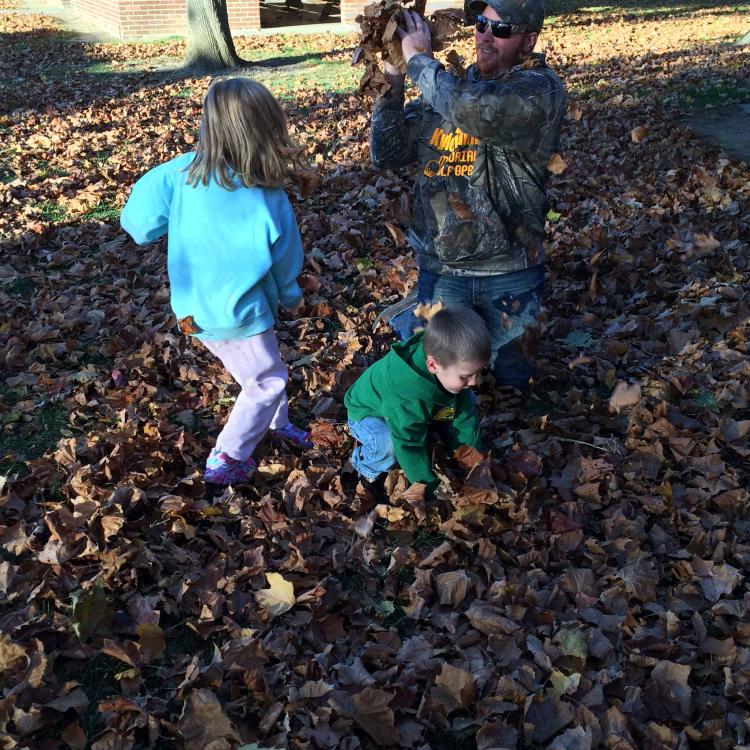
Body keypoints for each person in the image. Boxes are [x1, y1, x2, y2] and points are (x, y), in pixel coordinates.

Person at [120, 77, 313, 486]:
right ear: (266, 131)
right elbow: (285, 261)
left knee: (257, 368)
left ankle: (275, 424)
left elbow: (137, 225)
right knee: (267, 379)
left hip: (191, 313)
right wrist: (291, 296)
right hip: (240, 313)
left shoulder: (179, 173)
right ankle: (229, 455)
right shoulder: (268, 197)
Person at [371, 0, 568, 388]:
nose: (485, 36)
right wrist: (393, 76)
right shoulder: (449, 88)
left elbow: (475, 112)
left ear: (528, 41)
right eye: (480, 24)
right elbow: (386, 153)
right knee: (434, 380)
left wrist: (419, 61)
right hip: (444, 270)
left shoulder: (540, 89)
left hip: (512, 270)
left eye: (501, 29)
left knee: (517, 381)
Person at [345, 305, 490, 498]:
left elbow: (464, 417)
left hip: (410, 406)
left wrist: (473, 460)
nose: (474, 381)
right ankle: (365, 470)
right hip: (367, 413)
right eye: (466, 376)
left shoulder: (448, 363)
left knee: (462, 399)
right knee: (387, 445)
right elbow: (408, 443)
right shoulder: (405, 395)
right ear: (433, 365)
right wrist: (427, 488)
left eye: (477, 373)